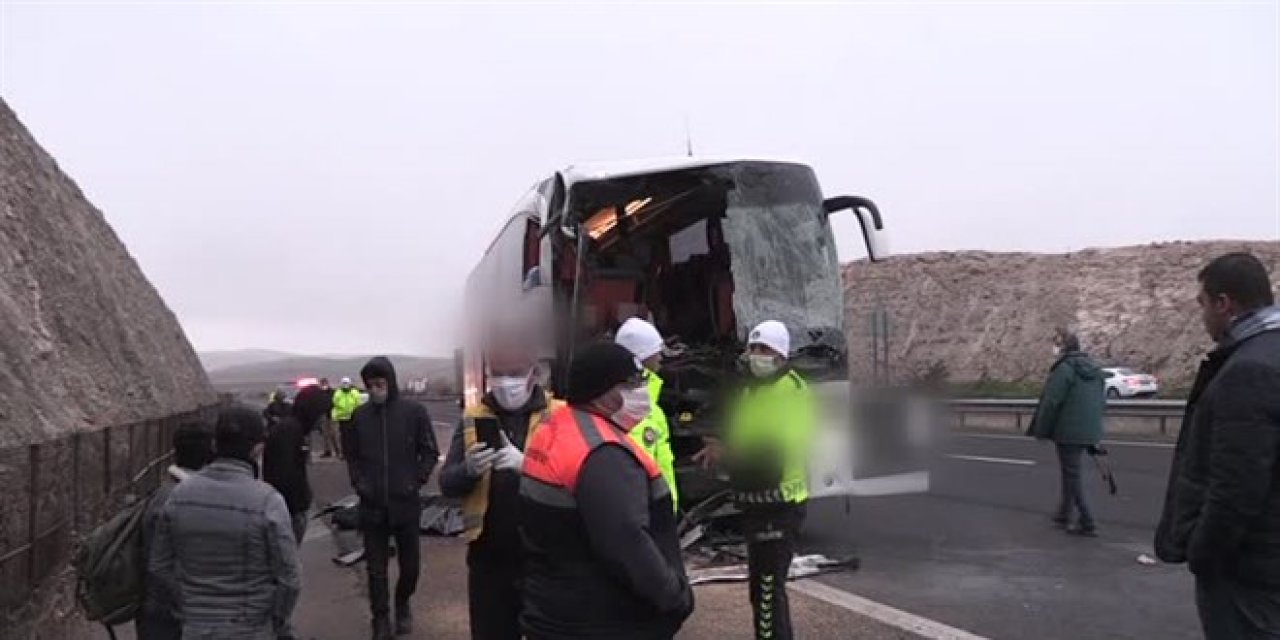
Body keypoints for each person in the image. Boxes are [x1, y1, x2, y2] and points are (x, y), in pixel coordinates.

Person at [520, 341, 693, 640]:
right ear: (601, 392)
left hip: (557, 607)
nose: (641, 391)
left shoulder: (558, 427)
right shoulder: (603, 454)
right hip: (605, 619)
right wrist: (674, 597)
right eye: (631, 383)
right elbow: (627, 543)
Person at [1155, 252, 1280, 640]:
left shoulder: (1249, 369)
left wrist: (1203, 553)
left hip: (1249, 571)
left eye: (1203, 303)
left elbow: (1236, 486)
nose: (1202, 315)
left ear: (1224, 303)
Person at [696, 320, 815, 640]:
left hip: (779, 503)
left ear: (781, 354)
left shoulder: (791, 392)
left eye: (765, 349)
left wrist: (728, 453)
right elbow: (747, 437)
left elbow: (771, 452)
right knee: (760, 590)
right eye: (752, 348)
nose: (756, 355)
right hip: (755, 503)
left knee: (767, 592)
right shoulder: (752, 389)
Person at [440, 341, 562, 640]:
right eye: (498, 373)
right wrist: (468, 470)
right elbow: (447, 484)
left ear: (534, 373)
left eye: (515, 373)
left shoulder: (560, 416)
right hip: (489, 559)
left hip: (545, 556)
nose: (506, 382)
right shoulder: (473, 417)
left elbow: (578, 481)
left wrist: (529, 467)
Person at [150, 405, 301, 640]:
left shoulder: (178, 495)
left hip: (196, 626)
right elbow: (289, 578)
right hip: (251, 626)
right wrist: (277, 620)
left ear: (214, 445)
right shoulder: (268, 501)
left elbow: (159, 567)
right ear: (257, 449)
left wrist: (187, 605)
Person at [345, 356, 440, 639]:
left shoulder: (414, 413)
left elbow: (430, 452)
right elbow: (352, 456)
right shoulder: (360, 417)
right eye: (370, 385)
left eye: (379, 384)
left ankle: (402, 602)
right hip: (372, 506)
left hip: (405, 504)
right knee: (376, 570)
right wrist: (360, 483)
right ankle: (381, 619)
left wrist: (416, 480)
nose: (375, 390)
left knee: (410, 568)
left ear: (391, 382)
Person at [137, 421, 214, 640]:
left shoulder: (165, 492)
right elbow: (161, 566)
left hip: (157, 610)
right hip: (170, 614)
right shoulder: (181, 500)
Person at [1028, 327, 1106, 537]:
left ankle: (1087, 520)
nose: (1053, 348)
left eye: (1056, 344)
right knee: (1070, 472)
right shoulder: (1095, 369)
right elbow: (1101, 402)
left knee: (1072, 475)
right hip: (1089, 430)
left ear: (1063, 348)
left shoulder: (1064, 369)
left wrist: (1041, 430)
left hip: (1068, 430)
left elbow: (1051, 402)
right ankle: (1063, 513)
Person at [614, 317, 680, 511]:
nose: (660, 358)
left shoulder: (652, 407)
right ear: (641, 357)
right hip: (644, 513)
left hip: (658, 512)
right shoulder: (629, 408)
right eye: (656, 351)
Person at [263, 402, 313, 544]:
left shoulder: (282, 430)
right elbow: (290, 466)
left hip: (281, 489)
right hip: (291, 494)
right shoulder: (291, 430)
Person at [331, 376, 364, 459]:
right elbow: (335, 404)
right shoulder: (338, 393)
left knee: (353, 437)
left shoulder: (354, 393)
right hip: (342, 419)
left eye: (346, 383)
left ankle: (353, 453)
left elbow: (358, 404)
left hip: (352, 418)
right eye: (344, 383)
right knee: (344, 438)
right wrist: (335, 417)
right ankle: (344, 453)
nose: (345, 385)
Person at [318, 377, 340, 458]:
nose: (323, 385)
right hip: (324, 415)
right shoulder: (320, 393)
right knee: (325, 435)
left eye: (324, 383)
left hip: (332, 415)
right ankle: (328, 451)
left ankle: (338, 451)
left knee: (334, 434)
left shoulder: (333, 392)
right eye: (322, 384)